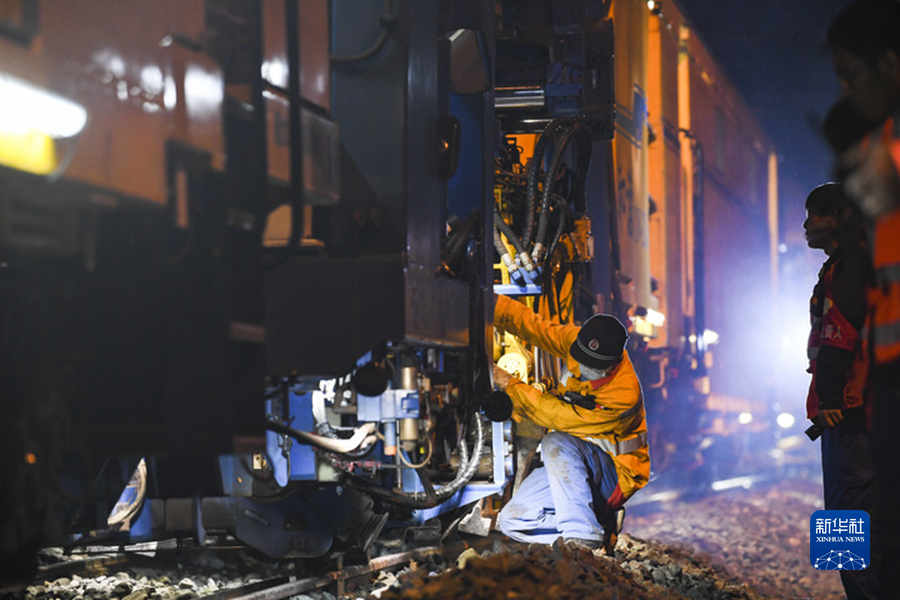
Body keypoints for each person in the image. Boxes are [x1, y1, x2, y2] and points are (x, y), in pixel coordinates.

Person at [827, 1, 900, 593]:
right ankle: (853, 585)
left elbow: (850, 320)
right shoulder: (832, 268)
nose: (804, 230)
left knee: (854, 507)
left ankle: (860, 589)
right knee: (849, 507)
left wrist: (834, 388)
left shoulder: (842, 265)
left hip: (855, 405)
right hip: (861, 401)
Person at [490, 293, 649, 553]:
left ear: (612, 364)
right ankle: (598, 528)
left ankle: (583, 535)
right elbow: (536, 328)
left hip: (614, 474)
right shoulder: (581, 343)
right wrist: (491, 304)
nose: (583, 367)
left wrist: (509, 383)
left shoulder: (623, 396)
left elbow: (553, 414)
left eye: (592, 365)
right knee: (512, 522)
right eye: (582, 359)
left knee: (555, 440)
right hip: (574, 462)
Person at [803, 183, 881, 599]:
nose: (806, 224)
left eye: (812, 214)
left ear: (834, 215)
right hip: (871, 410)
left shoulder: (847, 267)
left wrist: (830, 397)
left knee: (845, 523)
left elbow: (838, 335)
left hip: (849, 412)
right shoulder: (867, 259)